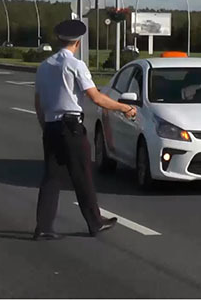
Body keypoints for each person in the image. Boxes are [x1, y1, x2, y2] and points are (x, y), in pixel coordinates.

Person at [33, 20, 137, 240]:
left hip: (51, 126)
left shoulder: (44, 66)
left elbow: (38, 101)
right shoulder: (75, 65)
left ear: (59, 40)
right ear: (78, 42)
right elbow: (95, 97)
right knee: (82, 175)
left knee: (51, 178)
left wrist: (46, 125)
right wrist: (124, 108)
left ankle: (43, 226)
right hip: (71, 127)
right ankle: (95, 222)